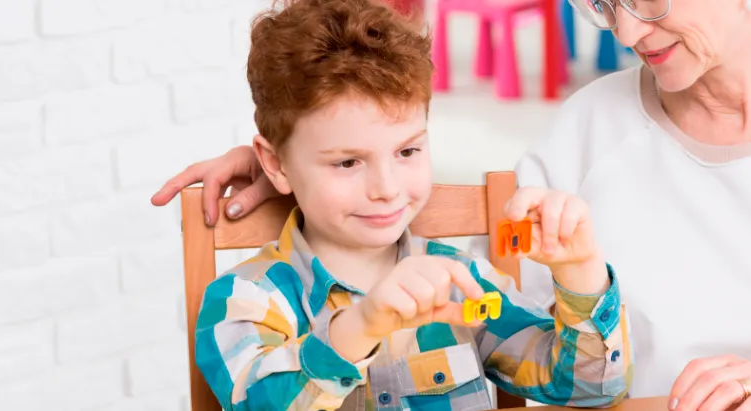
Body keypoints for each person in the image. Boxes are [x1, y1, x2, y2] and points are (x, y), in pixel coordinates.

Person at [155, 0, 751, 409]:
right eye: (605, 3)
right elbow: (435, 211)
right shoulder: (592, 125)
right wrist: (294, 164)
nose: (629, 30)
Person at [190, 0, 633, 410]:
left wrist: (581, 274)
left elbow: (591, 389)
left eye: (407, 152)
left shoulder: (465, 283)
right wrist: (359, 326)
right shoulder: (245, 301)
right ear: (275, 164)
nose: (386, 188)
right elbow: (260, 402)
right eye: (347, 162)